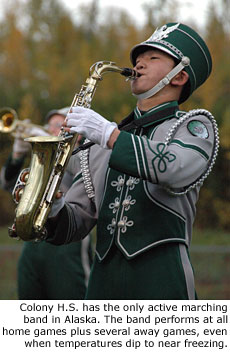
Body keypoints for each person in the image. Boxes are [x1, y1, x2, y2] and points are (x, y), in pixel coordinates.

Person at [46, 22, 218, 300]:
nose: (139, 64)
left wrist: (108, 134)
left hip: (162, 277)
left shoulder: (193, 126)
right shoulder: (104, 141)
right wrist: (52, 204)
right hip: (102, 282)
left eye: (153, 58)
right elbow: (75, 223)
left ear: (179, 77)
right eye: (138, 58)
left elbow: (174, 169)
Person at [0, 108, 92, 299]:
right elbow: (7, 184)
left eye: (59, 126)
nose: (52, 130)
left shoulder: (85, 156)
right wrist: (17, 156)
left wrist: (57, 146)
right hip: (32, 243)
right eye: (49, 126)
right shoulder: (40, 160)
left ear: (77, 134)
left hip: (68, 243)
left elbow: (83, 173)